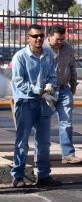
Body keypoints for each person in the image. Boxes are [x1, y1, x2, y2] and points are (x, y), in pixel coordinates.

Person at [10, 25, 60, 187]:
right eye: (35, 36)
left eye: (41, 36)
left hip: (44, 103)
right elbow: (18, 81)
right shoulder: (20, 57)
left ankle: (44, 175)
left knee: (44, 141)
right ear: (28, 38)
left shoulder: (48, 55)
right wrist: (38, 90)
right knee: (22, 141)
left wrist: (51, 86)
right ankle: (18, 176)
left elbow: (53, 75)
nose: (38, 39)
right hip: (25, 103)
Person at [44, 25, 82, 164]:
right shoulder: (42, 49)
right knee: (43, 123)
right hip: (47, 91)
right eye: (57, 39)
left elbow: (72, 66)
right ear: (49, 36)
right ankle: (42, 154)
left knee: (66, 122)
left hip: (64, 89)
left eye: (63, 39)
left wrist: (73, 84)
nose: (60, 42)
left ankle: (68, 154)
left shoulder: (67, 48)